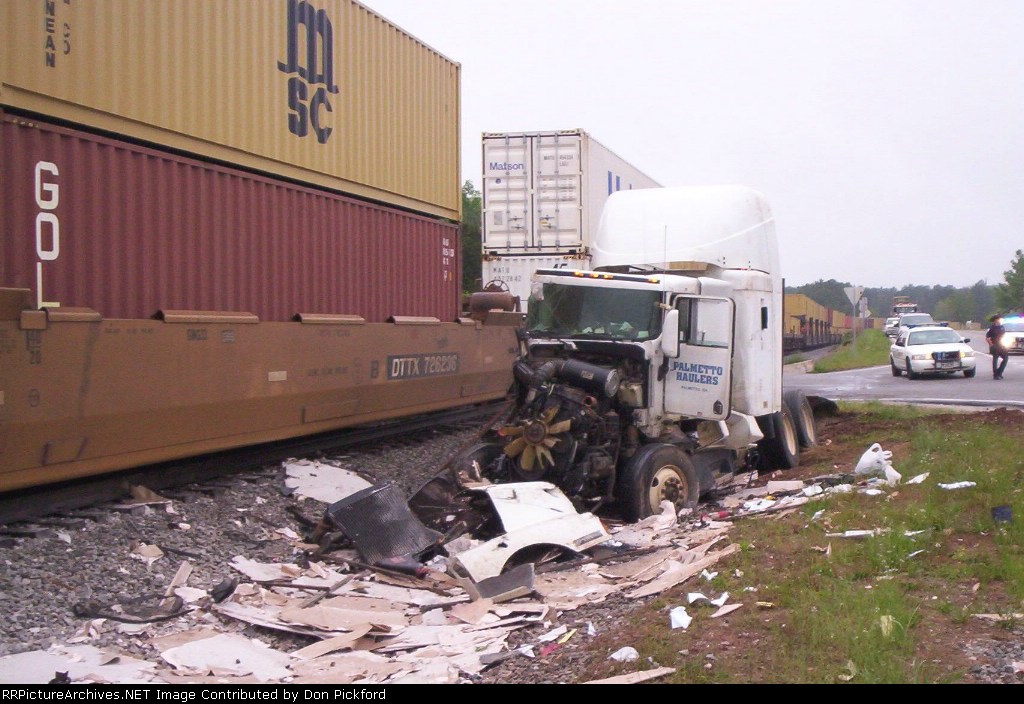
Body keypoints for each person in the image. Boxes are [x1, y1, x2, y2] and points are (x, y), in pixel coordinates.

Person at [986, 314, 1009, 380]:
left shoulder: (1002, 327)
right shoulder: (991, 328)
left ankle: (999, 372)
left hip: (1001, 345)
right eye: (999, 319)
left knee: (1005, 358)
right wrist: (991, 345)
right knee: (995, 359)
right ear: (995, 320)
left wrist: (1004, 344)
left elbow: (1004, 336)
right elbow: (987, 338)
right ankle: (995, 375)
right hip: (995, 345)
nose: (1000, 320)